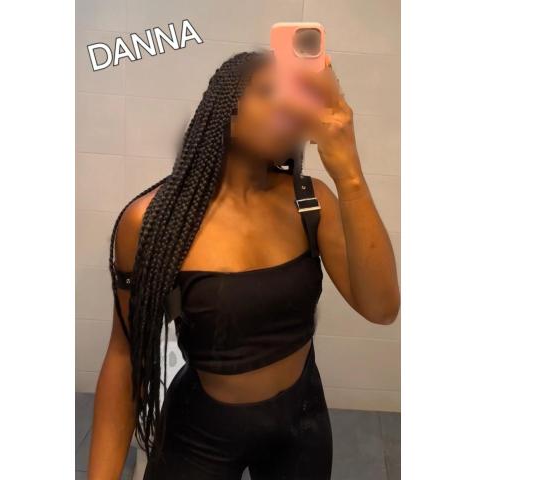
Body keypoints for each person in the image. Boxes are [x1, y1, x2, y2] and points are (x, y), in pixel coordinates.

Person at [88, 51, 400, 480]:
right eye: (268, 91)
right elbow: (125, 357)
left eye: (299, 98)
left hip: (301, 422)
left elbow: (382, 309)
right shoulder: (153, 221)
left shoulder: (310, 201)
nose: (288, 107)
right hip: (201, 433)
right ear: (225, 108)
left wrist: (349, 175)